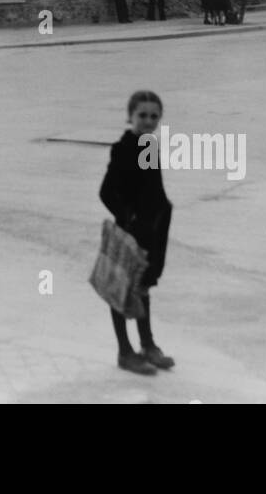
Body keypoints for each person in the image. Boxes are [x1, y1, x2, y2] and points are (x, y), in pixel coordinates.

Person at [99, 90, 175, 376]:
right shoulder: (124, 149)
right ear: (130, 116)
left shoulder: (150, 145)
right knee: (120, 290)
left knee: (143, 287)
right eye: (142, 115)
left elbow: (154, 189)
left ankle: (148, 345)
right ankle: (125, 351)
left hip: (151, 230)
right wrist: (128, 217)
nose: (148, 120)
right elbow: (106, 191)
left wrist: (162, 212)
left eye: (154, 116)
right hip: (131, 232)